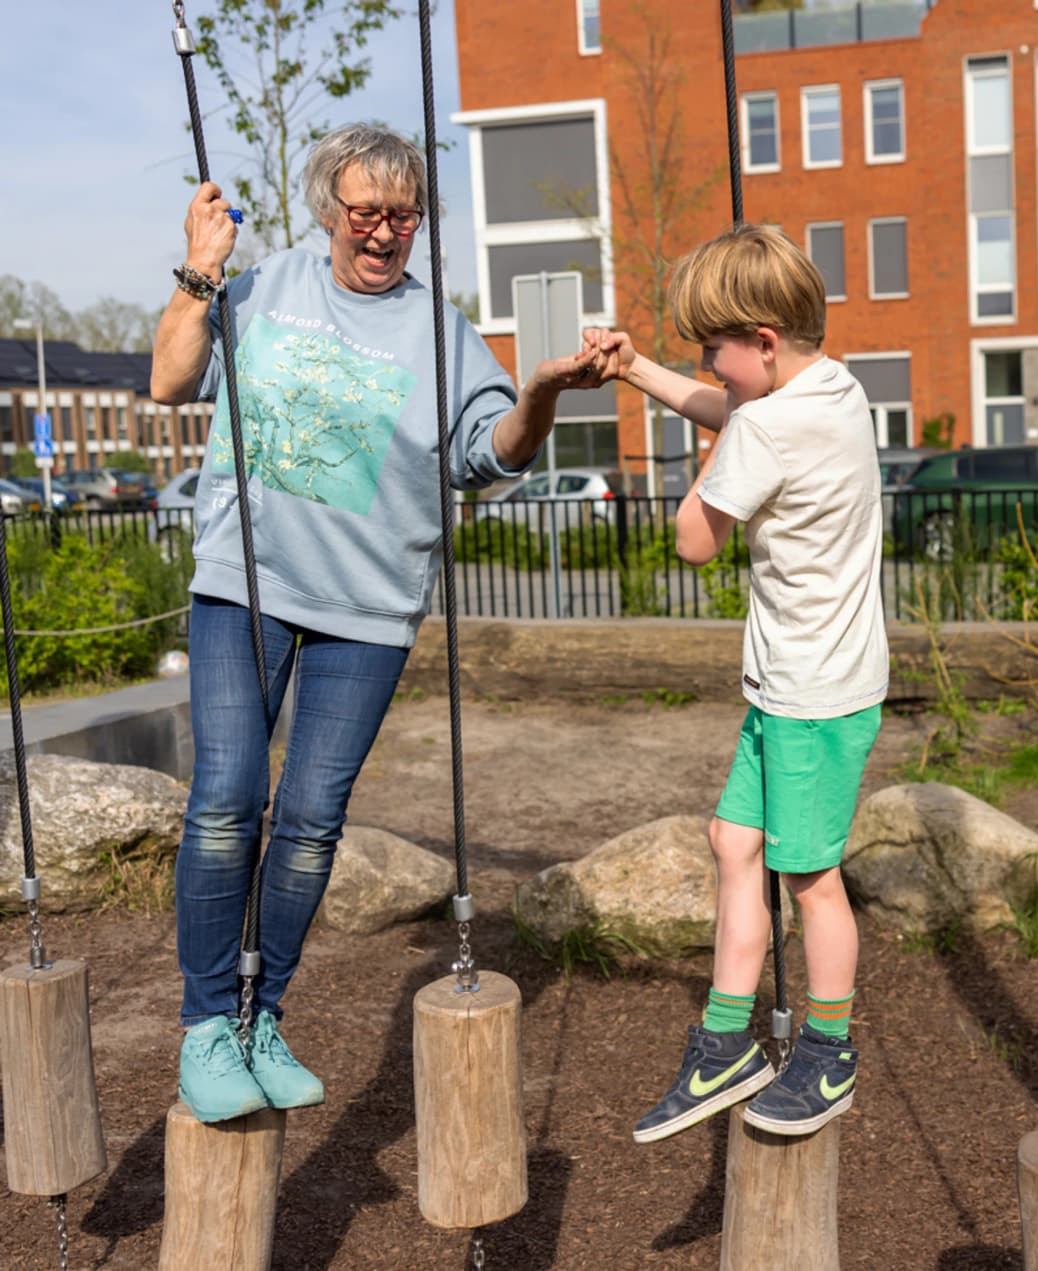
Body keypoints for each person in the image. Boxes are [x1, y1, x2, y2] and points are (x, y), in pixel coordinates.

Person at [151, 123, 607, 1124]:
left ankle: (260, 1015)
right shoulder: (265, 287)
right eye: (367, 211)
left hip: (367, 611)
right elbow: (171, 381)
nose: (385, 232)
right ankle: (206, 1023)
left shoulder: (440, 331)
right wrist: (199, 269)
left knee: (311, 819)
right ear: (331, 209)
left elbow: (490, 455)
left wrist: (538, 392)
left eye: (405, 215)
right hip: (246, 586)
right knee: (226, 797)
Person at [585, 223, 888, 1140]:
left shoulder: (766, 424)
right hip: (804, 682)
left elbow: (693, 540)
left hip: (812, 694)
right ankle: (725, 1043)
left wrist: (721, 444)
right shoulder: (832, 387)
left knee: (810, 878)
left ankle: (828, 1052)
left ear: (761, 340)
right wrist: (637, 370)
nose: (706, 367)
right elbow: (733, 408)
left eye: (712, 349)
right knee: (733, 840)